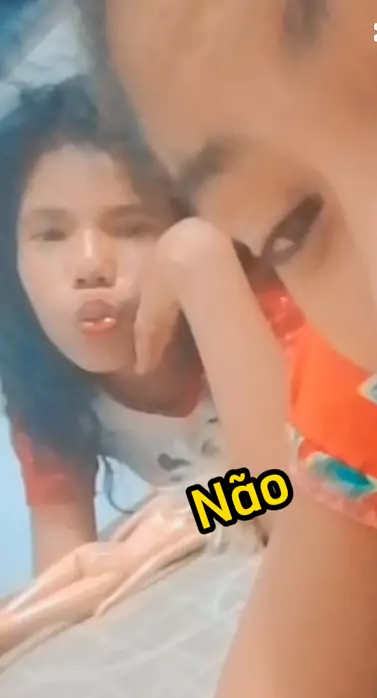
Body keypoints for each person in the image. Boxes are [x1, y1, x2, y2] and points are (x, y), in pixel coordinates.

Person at [76, 1, 377, 698]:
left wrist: (199, 273)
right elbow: (69, 553)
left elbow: (276, 482)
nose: (91, 269)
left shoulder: (240, 302)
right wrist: (119, 550)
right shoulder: (66, 421)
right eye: (288, 224)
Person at [0, 75, 302, 573]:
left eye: (133, 228)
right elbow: (67, 571)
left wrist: (199, 261)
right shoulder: (45, 388)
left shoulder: (262, 307)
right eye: (51, 235)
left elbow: (303, 484)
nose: (91, 265)